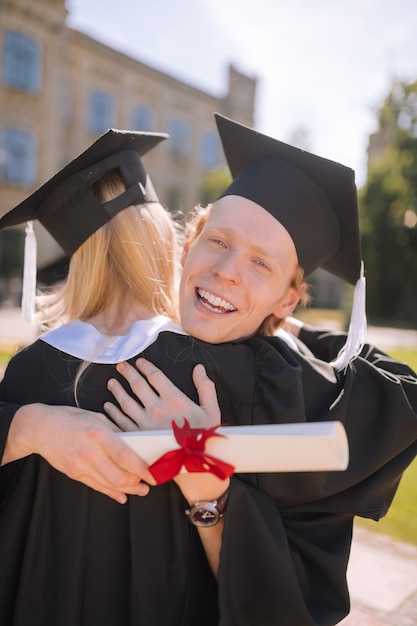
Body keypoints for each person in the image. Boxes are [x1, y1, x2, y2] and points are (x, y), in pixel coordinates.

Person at [0, 116, 416, 626]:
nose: (226, 271)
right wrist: (284, 323)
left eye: (261, 264)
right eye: (218, 241)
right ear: (184, 245)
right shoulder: (276, 387)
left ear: (288, 296)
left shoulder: (26, 375)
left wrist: (22, 425)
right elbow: (403, 394)